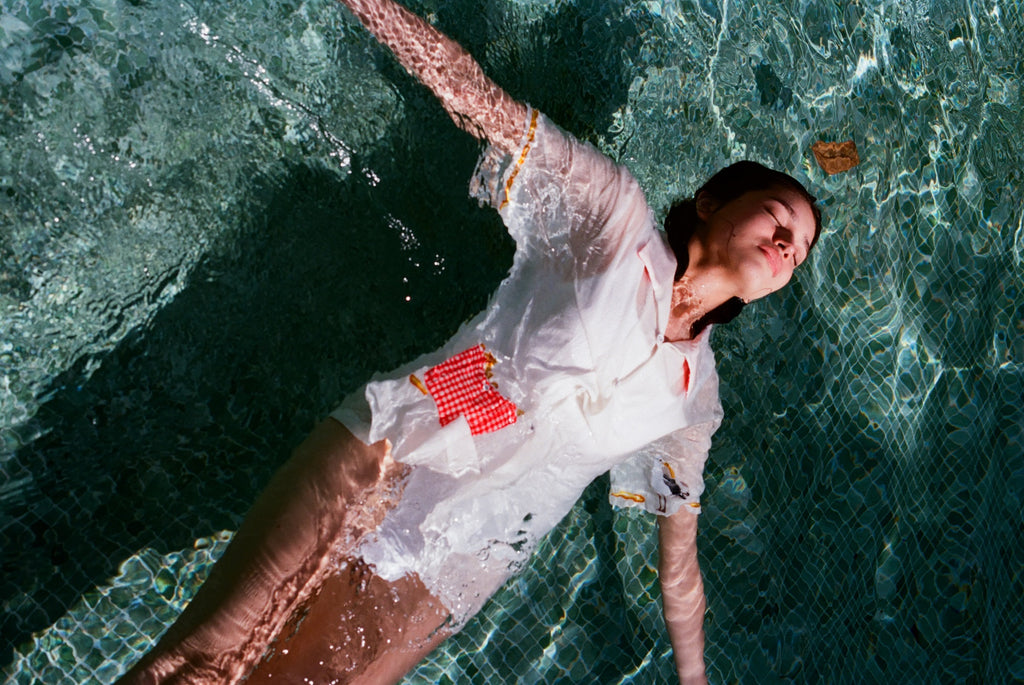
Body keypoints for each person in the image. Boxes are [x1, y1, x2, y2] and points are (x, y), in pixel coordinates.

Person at [118, 0, 821, 682]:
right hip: (392, 449)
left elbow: (679, 564)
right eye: (776, 214)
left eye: (801, 252)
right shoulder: (615, 219)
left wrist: (693, 675)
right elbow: (479, 98)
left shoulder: (694, 401)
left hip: (449, 575)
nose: (789, 244)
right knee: (193, 667)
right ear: (710, 202)